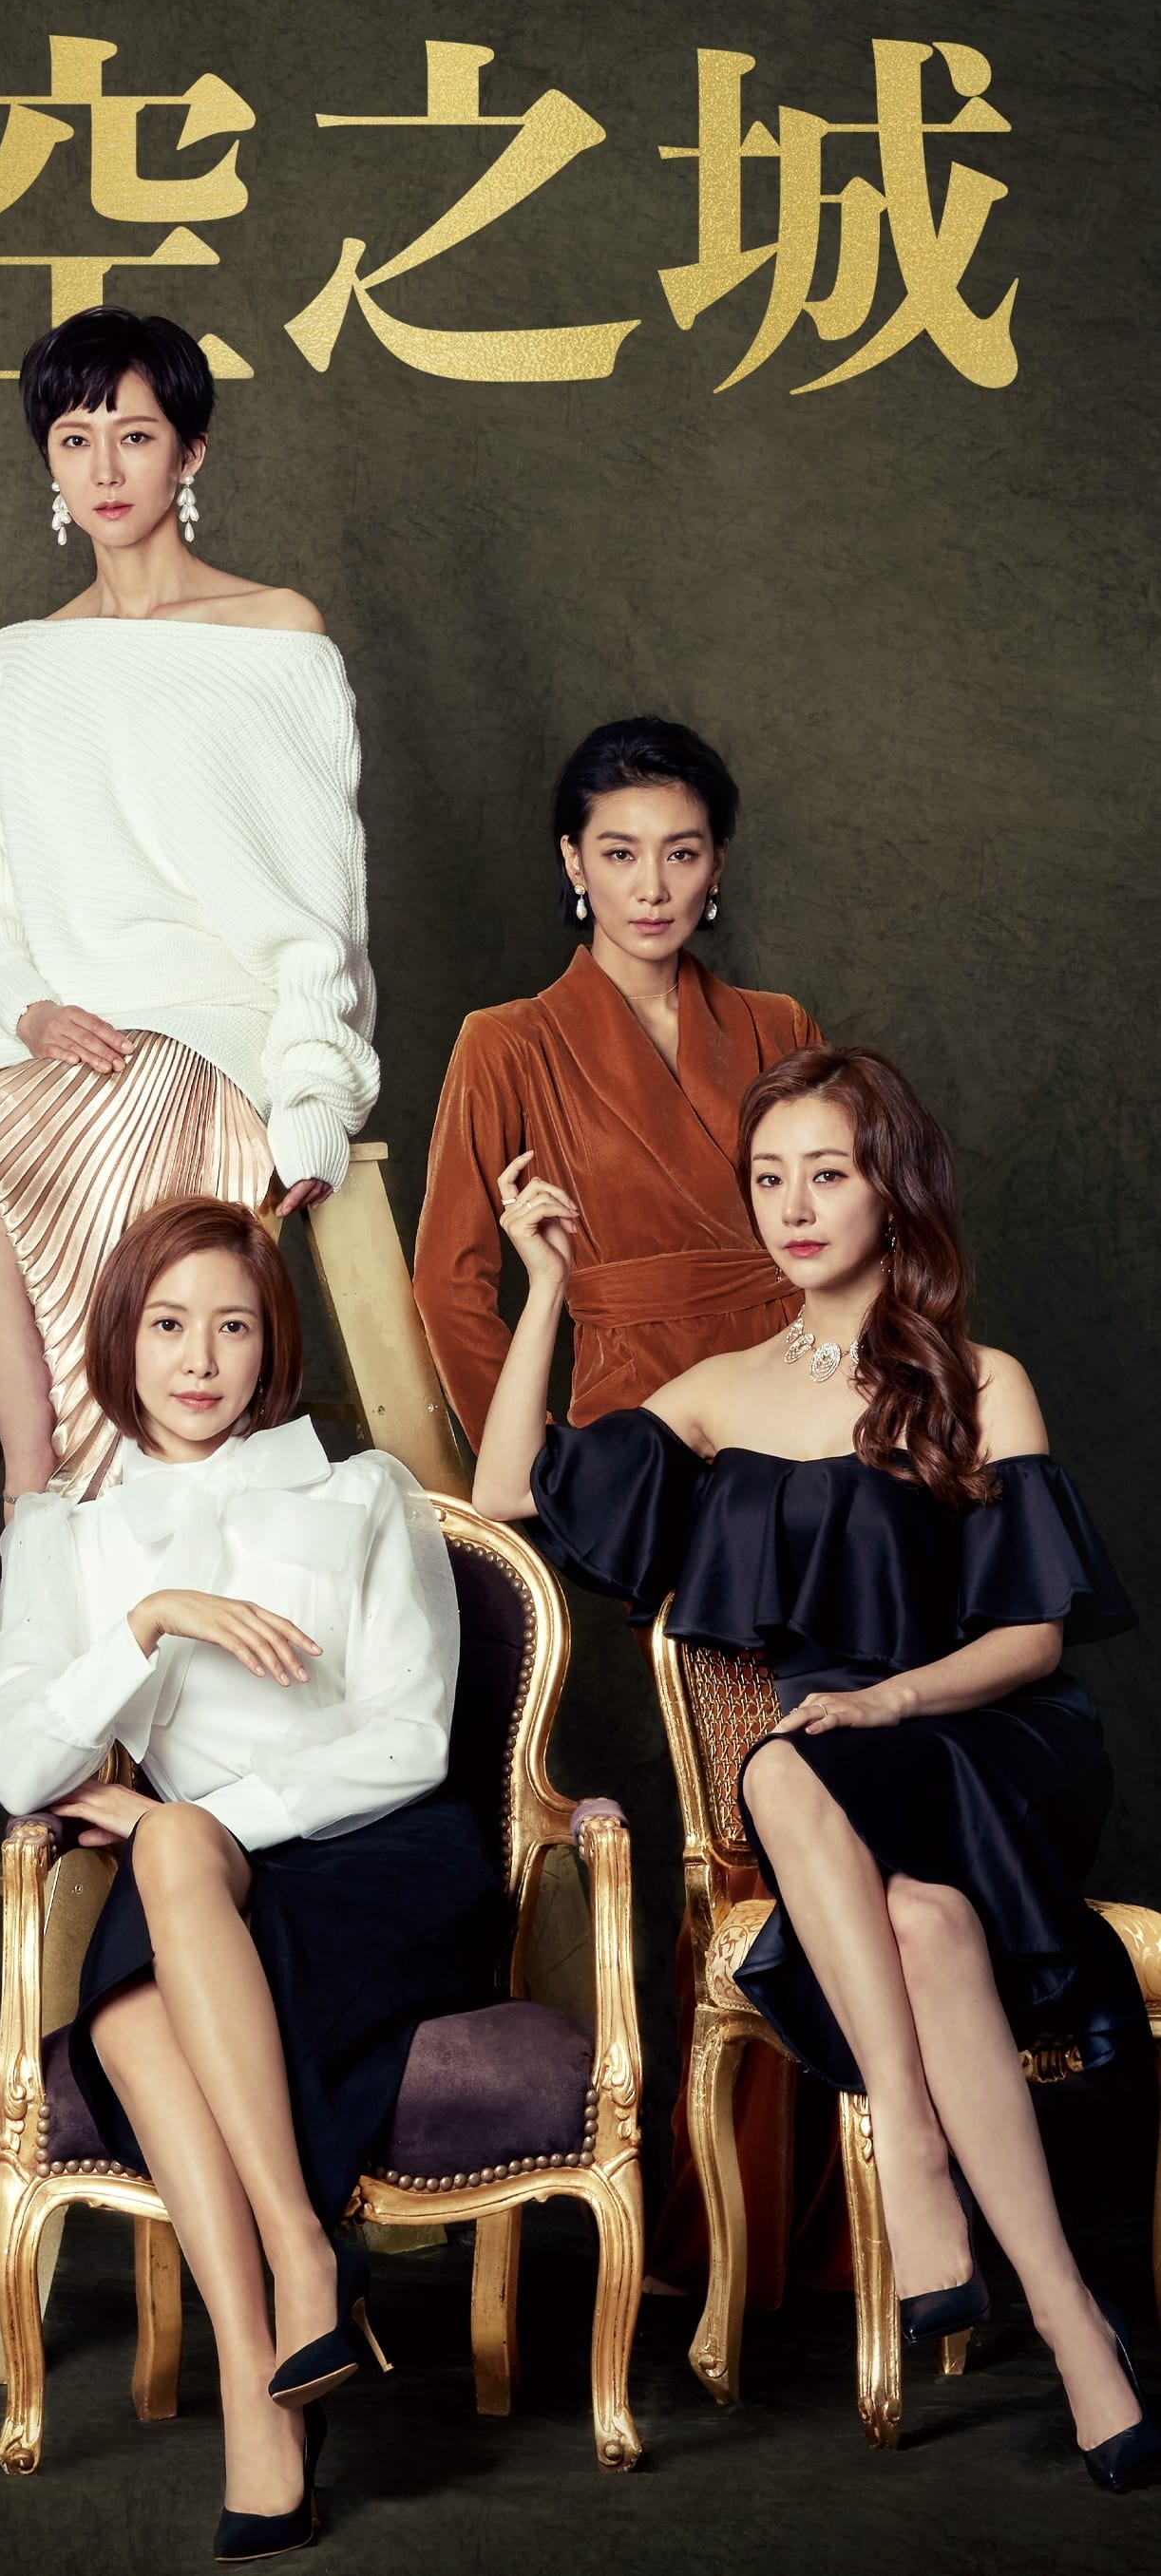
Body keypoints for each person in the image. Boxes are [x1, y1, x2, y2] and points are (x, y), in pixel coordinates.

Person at [473, 1044, 1156, 2489]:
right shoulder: (723, 1390)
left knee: (787, 1763)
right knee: (918, 1920)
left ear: (890, 1189)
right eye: (769, 1176)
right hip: (834, 1792)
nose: (792, 1205)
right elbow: (503, 1490)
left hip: (982, 1747)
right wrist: (546, 1283)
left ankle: (911, 2149)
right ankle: (1075, 2331)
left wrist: (889, 1699)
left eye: (827, 1173)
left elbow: (1033, 1637)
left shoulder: (982, 1381)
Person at [0, 307, 377, 1941]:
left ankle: (26, 1590)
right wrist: (27, 1008)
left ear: (191, 452)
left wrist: (310, 1097)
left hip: (203, 1061)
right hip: (49, 1049)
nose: (103, 468)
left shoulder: (277, 639)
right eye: (74, 440)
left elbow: (319, 919)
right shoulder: (12, 668)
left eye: (134, 435)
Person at [0, 1198, 499, 2556]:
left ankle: (297, 2273)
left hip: (382, 1857)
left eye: (234, 1327)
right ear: (122, 1337)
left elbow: (414, 1739)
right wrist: (148, 1623)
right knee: (140, 1979)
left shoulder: (359, 1492)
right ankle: (276, 2345)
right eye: (168, 1323)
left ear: (273, 1346)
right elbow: (11, 1760)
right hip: (203, 1888)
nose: (198, 1359)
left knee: (168, 1865)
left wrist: (191, 1822)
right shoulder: (69, 1537)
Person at [413, 714, 822, 2300]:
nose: (653, 883)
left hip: (794, 1435)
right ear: (571, 867)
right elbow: (450, 1284)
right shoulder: (506, 1039)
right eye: (620, 851)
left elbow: (843, 1226)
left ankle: (787, 2220)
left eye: (683, 851)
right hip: (621, 1476)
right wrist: (545, 1470)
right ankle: (659, 2212)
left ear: (717, 870)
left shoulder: (777, 1024)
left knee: (819, 1790)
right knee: (676, 1823)